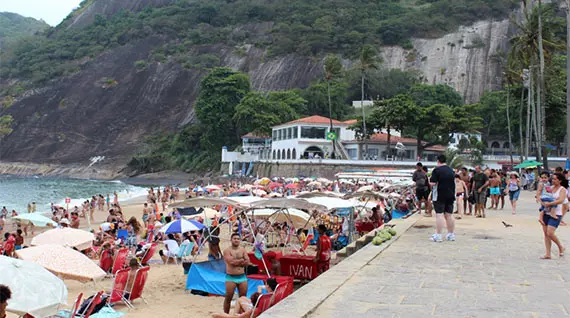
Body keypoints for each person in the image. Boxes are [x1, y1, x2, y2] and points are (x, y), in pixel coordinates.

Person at [539, 172, 566, 259]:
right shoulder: (549, 188)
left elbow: (561, 200)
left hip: (556, 213)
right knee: (546, 234)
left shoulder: (562, 189)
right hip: (546, 212)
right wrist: (543, 202)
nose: (553, 180)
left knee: (550, 232)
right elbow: (543, 196)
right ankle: (548, 253)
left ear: (560, 180)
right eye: (552, 179)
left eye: (555, 179)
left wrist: (551, 203)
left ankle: (560, 246)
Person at [429, 154, 456, 242]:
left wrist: (429, 180)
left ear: (438, 161)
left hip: (439, 195)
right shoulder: (451, 170)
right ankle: (451, 234)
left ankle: (438, 235)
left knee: (439, 214)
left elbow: (432, 183)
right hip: (450, 194)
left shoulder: (436, 170)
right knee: (449, 214)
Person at [223, 233, 249, 314]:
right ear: (231, 240)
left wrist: (238, 262)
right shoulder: (227, 250)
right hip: (231, 277)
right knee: (228, 297)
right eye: (235, 238)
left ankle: (241, 314)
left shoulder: (243, 249)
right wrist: (241, 260)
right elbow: (231, 262)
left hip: (242, 276)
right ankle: (226, 314)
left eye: (238, 238)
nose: (236, 240)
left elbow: (247, 261)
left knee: (243, 297)